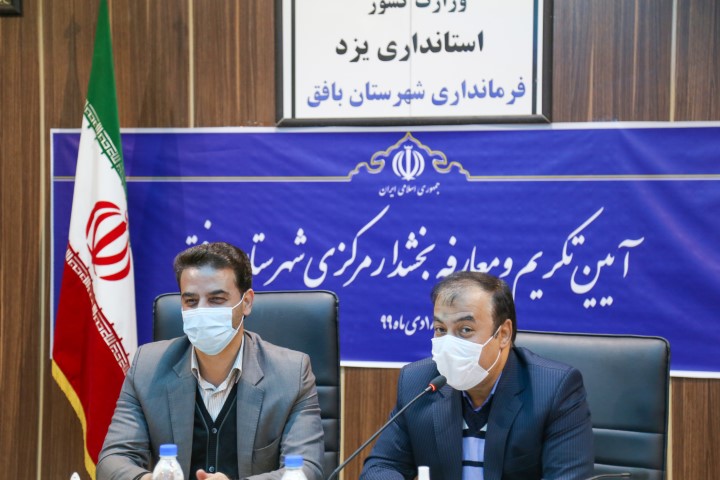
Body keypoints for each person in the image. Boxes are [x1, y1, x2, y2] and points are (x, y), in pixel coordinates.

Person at [98, 242, 324, 480]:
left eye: (216, 299)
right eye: (191, 301)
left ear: (246, 302)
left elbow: (307, 470)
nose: (202, 311)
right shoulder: (147, 367)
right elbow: (112, 460)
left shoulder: (292, 375)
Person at [360, 271, 594, 480]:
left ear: (503, 334)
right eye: (440, 329)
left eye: (465, 330)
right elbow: (380, 467)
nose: (449, 344)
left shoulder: (553, 390)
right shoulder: (419, 382)